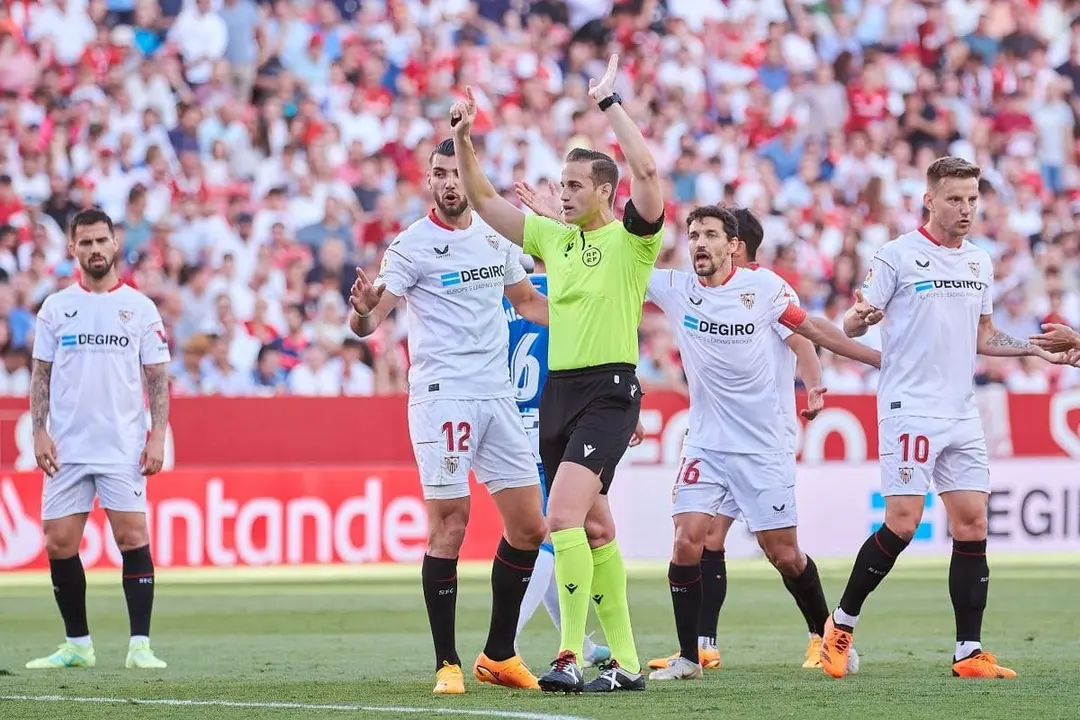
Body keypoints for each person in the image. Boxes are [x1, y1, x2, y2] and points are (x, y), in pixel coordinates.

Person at [452, 54, 661, 693]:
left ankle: (570, 653)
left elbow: (648, 171)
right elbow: (485, 201)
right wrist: (463, 139)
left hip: (609, 388)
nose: (562, 193)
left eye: (574, 185)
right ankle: (625, 662)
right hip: (559, 392)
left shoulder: (634, 242)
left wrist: (609, 104)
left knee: (563, 519)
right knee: (595, 527)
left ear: (604, 189)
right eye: (560, 185)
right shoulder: (554, 240)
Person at [819, 157, 1070, 680]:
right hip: (909, 407)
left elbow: (984, 337)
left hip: (961, 410)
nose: (966, 209)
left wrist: (1033, 349)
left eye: (973, 199)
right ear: (929, 199)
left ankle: (968, 651)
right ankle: (840, 626)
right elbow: (850, 319)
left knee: (973, 523)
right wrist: (859, 319)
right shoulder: (897, 256)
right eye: (955, 199)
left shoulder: (979, 261)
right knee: (904, 524)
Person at [643, 205, 882, 681]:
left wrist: (879, 360)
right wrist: (562, 223)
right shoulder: (675, 288)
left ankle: (828, 633)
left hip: (762, 446)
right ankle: (692, 655)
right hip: (706, 445)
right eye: (693, 235)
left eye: (710, 234)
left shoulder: (767, 289)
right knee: (688, 542)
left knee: (784, 554)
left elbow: (806, 332)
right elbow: (614, 258)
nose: (699, 244)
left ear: (733, 245)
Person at [348, 138, 550, 695]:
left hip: (498, 394)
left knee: (531, 527)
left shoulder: (496, 233)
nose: (448, 183)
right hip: (443, 396)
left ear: (471, 174)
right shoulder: (410, 246)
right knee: (450, 525)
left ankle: (499, 655)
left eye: (455, 172)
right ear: (430, 180)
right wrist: (363, 311)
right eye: (438, 173)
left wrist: (591, 332)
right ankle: (447, 663)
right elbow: (371, 318)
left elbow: (528, 301)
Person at [27, 207, 171, 670]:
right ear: (73, 248)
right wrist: (39, 431)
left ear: (114, 245)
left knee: (133, 538)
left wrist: (157, 437)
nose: (94, 249)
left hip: (121, 445)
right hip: (68, 448)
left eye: (100, 241)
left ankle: (140, 646)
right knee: (58, 544)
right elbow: (41, 376)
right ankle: (78, 645)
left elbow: (157, 379)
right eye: (84, 242)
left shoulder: (140, 308)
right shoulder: (56, 307)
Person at [506, 271, 612, 668]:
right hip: (556, 420)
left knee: (550, 530)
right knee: (552, 532)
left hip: (509, 422)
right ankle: (504, 644)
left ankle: (579, 645)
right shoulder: (573, 286)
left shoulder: (505, 290)